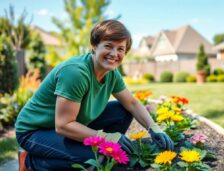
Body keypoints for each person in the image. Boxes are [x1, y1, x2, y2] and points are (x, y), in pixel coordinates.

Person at [15, 19, 174, 170]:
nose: (114, 53)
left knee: (122, 110)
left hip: (74, 123)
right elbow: (63, 125)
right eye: (108, 46)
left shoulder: (111, 73)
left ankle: (109, 156)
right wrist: (107, 139)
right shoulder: (75, 73)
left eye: (120, 49)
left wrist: (154, 128)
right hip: (35, 131)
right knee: (91, 157)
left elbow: (131, 103)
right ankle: (31, 162)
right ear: (94, 45)